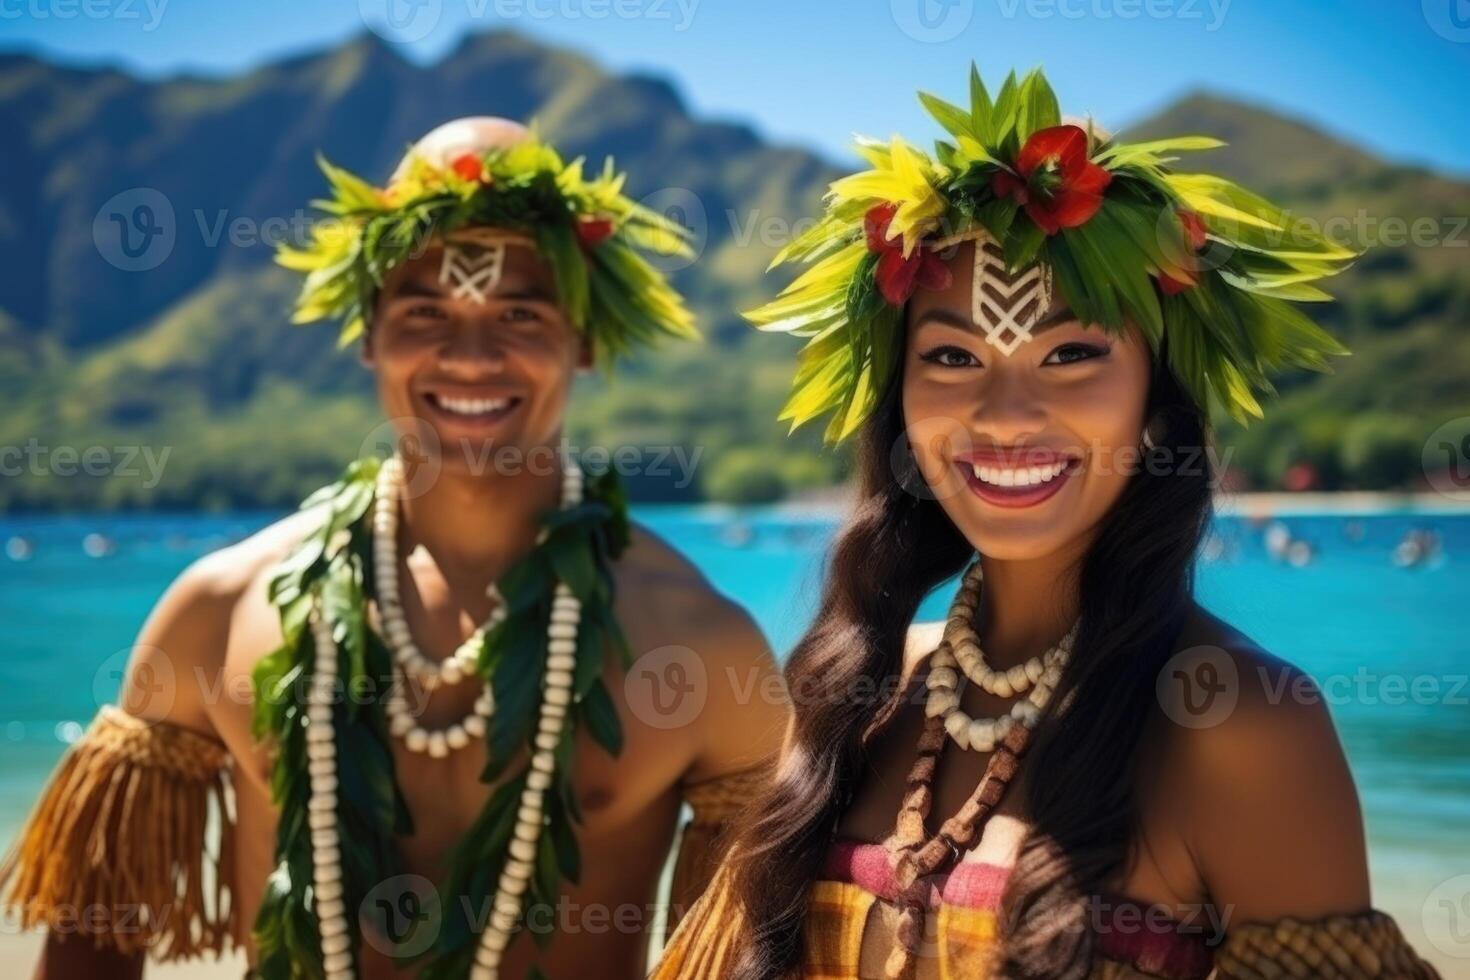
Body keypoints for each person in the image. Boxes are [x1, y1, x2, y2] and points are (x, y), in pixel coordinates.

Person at [654, 66, 1442, 979]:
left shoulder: (1247, 727)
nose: (1005, 414)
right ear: (898, 401)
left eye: (1071, 353)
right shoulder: (849, 690)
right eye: (953, 355)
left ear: (1158, 398)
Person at [1, 117, 788, 980]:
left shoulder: (702, 645)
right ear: (368, 332)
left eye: (520, 312)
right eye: (426, 311)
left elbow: (742, 958)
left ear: (586, 338)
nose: (472, 355)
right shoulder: (220, 610)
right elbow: (88, 950)